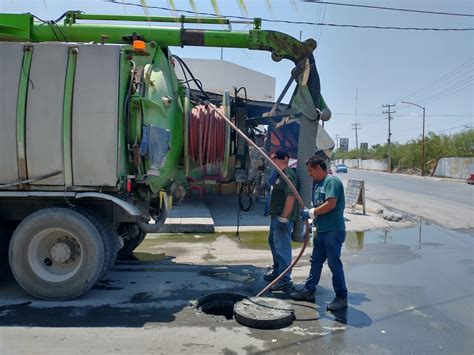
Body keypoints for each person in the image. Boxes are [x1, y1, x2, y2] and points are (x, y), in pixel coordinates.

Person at [290, 156, 348, 311]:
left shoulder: (332, 182)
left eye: (310, 171)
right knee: (316, 261)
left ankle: (341, 297)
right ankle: (309, 291)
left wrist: (311, 212)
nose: (310, 174)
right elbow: (319, 206)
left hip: (333, 231)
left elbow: (330, 204)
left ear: (317, 168)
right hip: (322, 231)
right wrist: (312, 216)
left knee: (334, 264)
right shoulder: (318, 183)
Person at [264, 150, 298, 292]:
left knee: (282, 248)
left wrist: (284, 217)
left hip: (282, 218)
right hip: (275, 217)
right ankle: (278, 272)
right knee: (273, 243)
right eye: (272, 159)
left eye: (275, 158)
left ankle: (284, 280)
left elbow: (291, 197)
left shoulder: (288, 174)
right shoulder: (279, 174)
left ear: (285, 158)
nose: (273, 160)